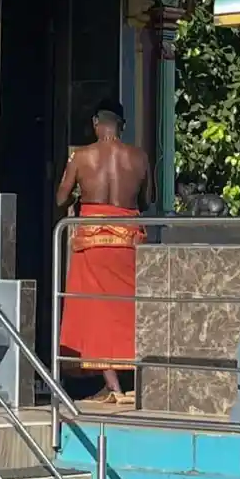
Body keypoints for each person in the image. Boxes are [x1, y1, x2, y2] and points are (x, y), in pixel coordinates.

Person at [54, 99, 152, 404]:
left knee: (96, 312)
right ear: (121, 125)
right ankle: (132, 380)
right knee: (128, 310)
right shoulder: (138, 157)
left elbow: (60, 198)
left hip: (92, 242)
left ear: (97, 123)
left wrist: (82, 191)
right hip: (128, 242)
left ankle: (114, 387)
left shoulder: (81, 156)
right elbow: (148, 201)